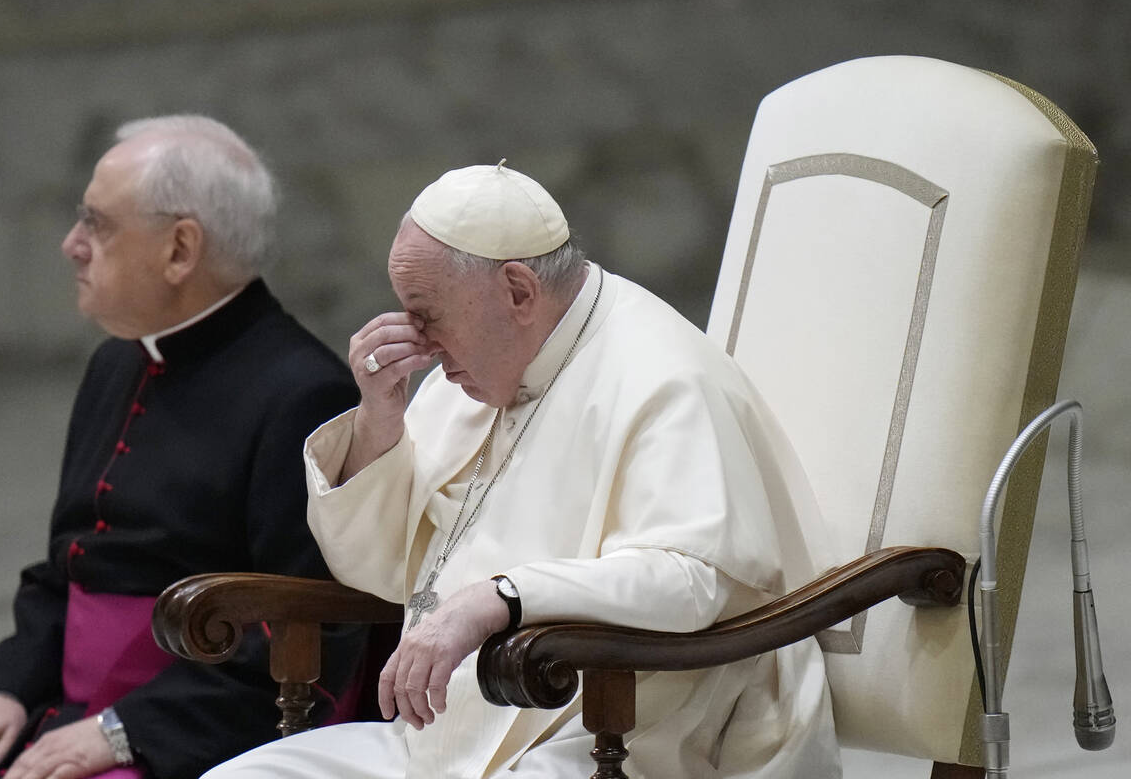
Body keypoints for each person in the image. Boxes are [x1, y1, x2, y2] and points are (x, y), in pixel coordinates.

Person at [207, 162, 840, 777]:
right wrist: (379, 419)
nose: (416, 339)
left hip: (607, 734)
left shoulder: (666, 376)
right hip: (440, 739)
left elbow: (695, 578)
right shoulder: (475, 371)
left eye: (427, 314)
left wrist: (500, 598)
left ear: (518, 291)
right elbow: (377, 566)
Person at [0, 116, 375, 779]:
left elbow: (308, 633)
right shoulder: (116, 365)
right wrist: (6, 690)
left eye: (97, 224)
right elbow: (66, 568)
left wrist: (123, 731)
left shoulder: (304, 395)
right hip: (73, 710)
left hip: (199, 737)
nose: (71, 245)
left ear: (179, 250)